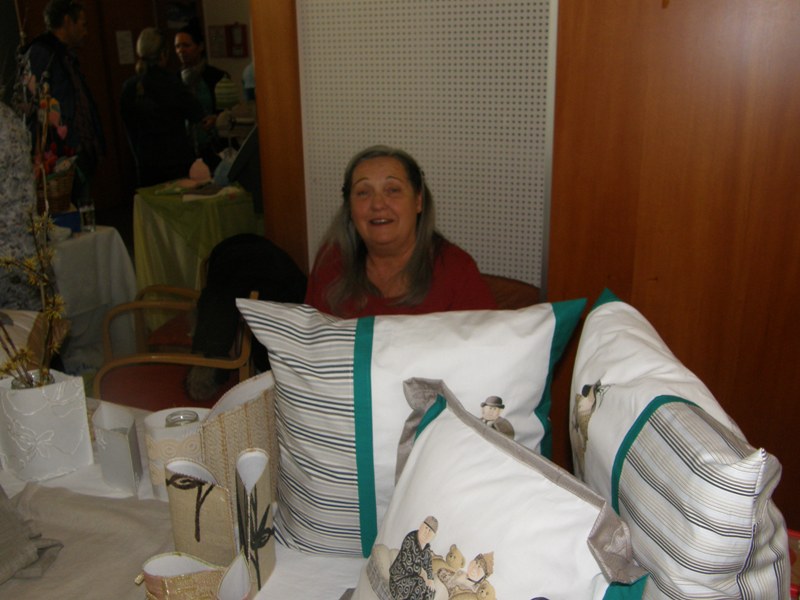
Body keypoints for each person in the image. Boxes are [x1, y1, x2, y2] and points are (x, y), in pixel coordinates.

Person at [305, 145, 497, 318]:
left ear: (418, 201)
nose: (378, 204)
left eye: (393, 190)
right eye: (363, 192)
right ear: (349, 208)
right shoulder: (331, 261)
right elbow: (310, 340)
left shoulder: (457, 271)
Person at [21, 0, 104, 205]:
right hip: (61, 153)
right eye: (83, 24)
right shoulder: (43, 53)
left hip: (77, 149)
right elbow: (36, 105)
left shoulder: (64, 55)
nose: (86, 32)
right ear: (67, 21)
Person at [120, 27, 204, 186]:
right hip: (177, 163)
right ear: (163, 54)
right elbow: (196, 112)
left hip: (145, 164)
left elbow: (129, 127)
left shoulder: (129, 88)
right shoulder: (171, 83)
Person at [174, 22, 228, 166]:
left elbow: (230, 113)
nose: (181, 50)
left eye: (186, 45)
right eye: (177, 46)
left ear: (200, 47)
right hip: (184, 150)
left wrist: (217, 119)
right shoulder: (174, 80)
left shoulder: (217, 77)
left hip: (214, 147)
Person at [389, 516, 438, 600]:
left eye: (430, 531)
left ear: (433, 536)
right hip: (398, 580)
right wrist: (422, 572)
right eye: (426, 528)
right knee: (420, 583)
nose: (426, 532)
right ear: (421, 526)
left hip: (414, 580)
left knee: (431, 589)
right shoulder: (410, 539)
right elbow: (407, 563)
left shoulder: (427, 549)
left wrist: (430, 579)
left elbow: (428, 566)